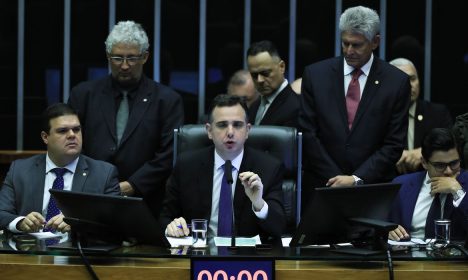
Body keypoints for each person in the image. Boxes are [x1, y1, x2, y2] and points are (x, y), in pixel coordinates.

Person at [68, 21, 184, 215]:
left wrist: (131, 185)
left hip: (147, 201)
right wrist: (95, 184)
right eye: (117, 58)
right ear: (107, 56)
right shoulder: (84, 95)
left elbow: (169, 154)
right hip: (91, 197)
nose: (124, 65)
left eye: (131, 58)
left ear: (145, 57)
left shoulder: (167, 100)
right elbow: (71, 143)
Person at [299, 6, 411, 195]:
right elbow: (308, 134)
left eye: (357, 45)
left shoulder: (396, 82)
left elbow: (393, 143)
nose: (349, 51)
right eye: (345, 43)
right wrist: (335, 178)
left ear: (375, 42)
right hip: (322, 185)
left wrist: (356, 179)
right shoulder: (315, 75)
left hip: (372, 188)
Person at [160, 95, 285, 241]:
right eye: (222, 125)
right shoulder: (186, 165)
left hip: (248, 257)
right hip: (200, 254)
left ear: (248, 130)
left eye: (237, 125)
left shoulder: (269, 167)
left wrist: (259, 204)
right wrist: (173, 227)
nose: (230, 132)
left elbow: (279, 228)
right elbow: (165, 218)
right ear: (209, 130)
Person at [0, 103, 120, 233]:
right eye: (63, 131)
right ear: (45, 137)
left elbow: (115, 221)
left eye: (76, 129)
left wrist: (77, 222)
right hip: (31, 250)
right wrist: (20, 223)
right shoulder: (19, 170)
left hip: (78, 250)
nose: (72, 135)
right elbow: (2, 212)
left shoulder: (104, 173)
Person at [389, 128, 468, 241]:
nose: (449, 171)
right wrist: (388, 231)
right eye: (440, 165)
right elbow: (379, 225)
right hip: (408, 255)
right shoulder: (401, 185)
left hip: (454, 257)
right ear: (424, 163)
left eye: (454, 163)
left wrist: (458, 192)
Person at [390, 58, 453, 174]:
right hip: (389, 182)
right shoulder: (377, 115)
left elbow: (452, 146)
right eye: (402, 80)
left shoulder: (438, 113)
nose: (410, 85)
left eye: (413, 79)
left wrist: (426, 152)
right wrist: (391, 155)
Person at [246, 40, 300, 128]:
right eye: (254, 75)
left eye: (265, 73)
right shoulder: (254, 106)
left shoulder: (296, 107)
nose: (259, 80)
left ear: (281, 67)